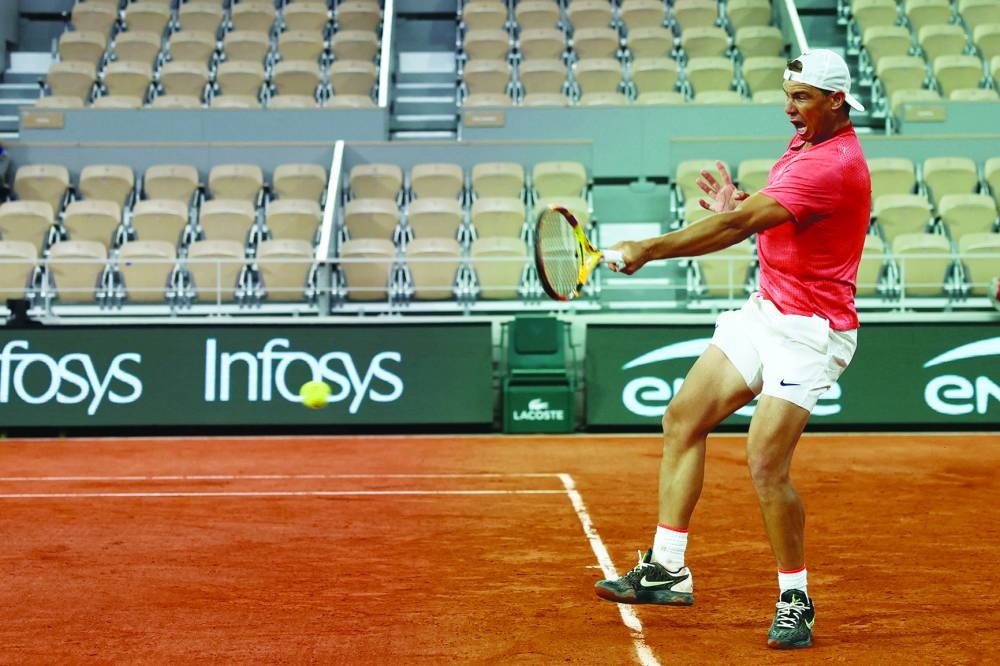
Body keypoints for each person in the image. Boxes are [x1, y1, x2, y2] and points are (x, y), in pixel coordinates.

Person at [593, 49, 872, 650]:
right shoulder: (806, 142)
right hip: (765, 312)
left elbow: (735, 229)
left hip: (810, 331)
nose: (790, 107)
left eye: (802, 97)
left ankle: (795, 598)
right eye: (787, 95)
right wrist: (743, 204)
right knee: (682, 419)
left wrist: (647, 248)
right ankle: (667, 569)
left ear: (836, 101)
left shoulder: (832, 163)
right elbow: (770, 218)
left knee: (765, 463)